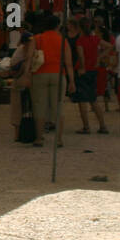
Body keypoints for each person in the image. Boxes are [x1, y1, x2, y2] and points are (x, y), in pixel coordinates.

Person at [31, 14, 72, 148]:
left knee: (39, 106)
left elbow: (30, 58)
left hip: (39, 74)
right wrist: (72, 81)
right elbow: (68, 62)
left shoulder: (37, 39)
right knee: (58, 107)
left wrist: (26, 74)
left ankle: (39, 138)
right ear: (58, 26)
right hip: (58, 74)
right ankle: (58, 139)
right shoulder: (63, 40)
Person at [73, 17, 109, 134]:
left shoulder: (80, 40)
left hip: (83, 71)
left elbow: (81, 55)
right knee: (93, 99)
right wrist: (99, 57)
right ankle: (102, 125)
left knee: (82, 100)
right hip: (94, 69)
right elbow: (109, 46)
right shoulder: (95, 39)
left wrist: (82, 67)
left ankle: (86, 126)